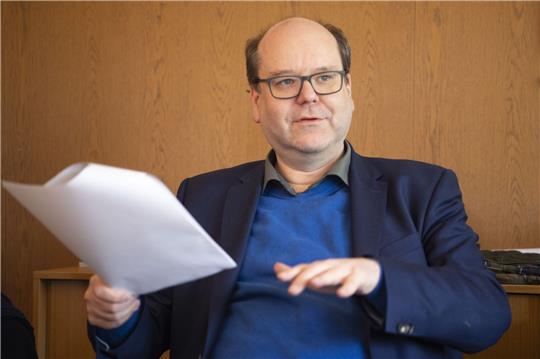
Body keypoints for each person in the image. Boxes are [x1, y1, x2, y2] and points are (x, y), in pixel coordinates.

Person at [85, 17, 511, 359]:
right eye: (285, 81)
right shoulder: (201, 197)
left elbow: (486, 314)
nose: (309, 96)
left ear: (349, 90)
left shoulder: (423, 189)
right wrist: (116, 318)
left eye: (325, 77)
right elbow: (147, 336)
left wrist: (378, 280)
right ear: (255, 101)